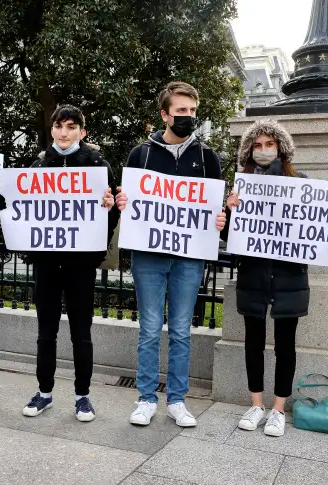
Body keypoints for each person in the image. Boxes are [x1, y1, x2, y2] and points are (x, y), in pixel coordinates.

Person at [226, 119, 328, 437]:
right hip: (253, 273)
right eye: (258, 145)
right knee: (252, 342)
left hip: (289, 276)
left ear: (281, 147)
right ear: (249, 151)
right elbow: (231, 236)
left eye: (270, 144)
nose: (264, 150)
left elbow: (315, 225)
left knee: (285, 346)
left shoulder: (302, 183)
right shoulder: (243, 186)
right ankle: (256, 405)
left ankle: (278, 409)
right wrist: (230, 213)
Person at [115, 82, 228, 428]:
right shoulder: (141, 155)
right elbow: (131, 205)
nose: (188, 117)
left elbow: (213, 209)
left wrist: (221, 218)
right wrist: (123, 204)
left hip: (189, 258)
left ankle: (177, 400)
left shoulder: (208, 159)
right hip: (149, 256)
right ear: (164, 114)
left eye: (192, 111)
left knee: (181, 330)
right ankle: (146, 398)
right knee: (149, 329)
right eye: (181, 111)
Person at [0, 105, 117, 422]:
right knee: (45, 331)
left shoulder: (96, 165)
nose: (64, 132)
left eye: (71, 126)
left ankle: (83, 397)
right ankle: (45, 393)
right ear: (52, 130)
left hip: (81, 265)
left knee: (82, 332)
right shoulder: (38, 165)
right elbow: (23, 211)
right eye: (59, 126)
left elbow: (111, 216)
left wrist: (109, 206)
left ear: (82, 131)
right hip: (47, 263)